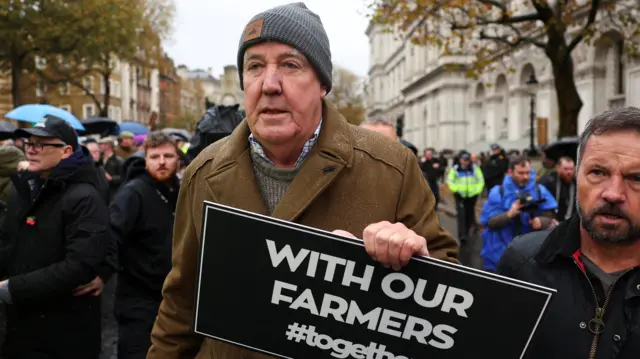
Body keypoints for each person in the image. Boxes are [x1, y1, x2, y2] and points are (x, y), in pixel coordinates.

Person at [146, 3, 459, 359]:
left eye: (291, 65)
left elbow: (448, 296)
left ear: (322, 83)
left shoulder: (391, 165)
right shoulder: (204, 171)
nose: (269, 84)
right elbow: (182, 303)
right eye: (254, 67)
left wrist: (415, 259)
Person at [497, 107, 640, 359]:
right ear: (578, 176)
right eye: (598, 172)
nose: (613, 193)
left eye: (637, 178)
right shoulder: (523, 263)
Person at [0, 115, 110, 359]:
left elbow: (78, 266)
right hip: (22, 326)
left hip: (64, 333)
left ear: (66, 151)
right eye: (28, 144)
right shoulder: (25, 189)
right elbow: (7, 242)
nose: (31, 151)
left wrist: (11, 289)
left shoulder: (84, 197)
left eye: (40, 145)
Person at [107, 131, 180, 359]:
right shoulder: (133, 193)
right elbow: (110, 235)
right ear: (145, 159)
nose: (161, 162)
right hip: (138, 298)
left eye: (168, 156)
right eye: (154, 156)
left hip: (171, 297)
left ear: (178, 159)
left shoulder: (179, 191)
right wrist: (101, 272)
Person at [479, 155, 557, 271]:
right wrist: (510, 214)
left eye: (528, 172)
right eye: (521, 173)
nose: (525, 177)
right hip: (499, 256)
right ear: (510, 172)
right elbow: (490, 223)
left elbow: (551, 215)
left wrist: (541, 221)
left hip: (531, 257)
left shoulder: (539, 190)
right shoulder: (498, 192)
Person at [446, 152, 484, 243]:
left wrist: (476, 191)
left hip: (472, 196)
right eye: (464, 160)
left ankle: (467, 230)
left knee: (469, 214)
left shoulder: (474, 168)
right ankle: (462, 235)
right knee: (461, 214)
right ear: (460, 160)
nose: (465, 162)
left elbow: (480, 180)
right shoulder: (456, 169)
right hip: (460, 196)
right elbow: (450, 181)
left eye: (467, 160)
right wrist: (457, 190)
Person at [538, 156, 576, 223]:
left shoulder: (576, 183)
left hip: (571, 221)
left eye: (571, 169)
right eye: (566, 169)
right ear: (558, 168)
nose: (569, 172)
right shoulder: (548, 181)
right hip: (552, 221)